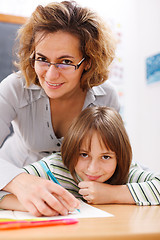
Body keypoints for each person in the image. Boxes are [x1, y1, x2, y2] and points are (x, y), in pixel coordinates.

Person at [0, 1, 120, 217]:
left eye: (65, 61)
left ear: (88, 62)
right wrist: (19, 182)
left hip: (72, 199)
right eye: (42, 59)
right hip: (12, 188)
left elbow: (112, 156)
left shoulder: (106, 96)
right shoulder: (14, 87)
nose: (51, 75)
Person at [1, 107, 159, 213]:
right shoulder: (53, 168)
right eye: (84, 154)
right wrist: (36, 204)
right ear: (71, 149)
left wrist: (113, 194)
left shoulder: (125, 171)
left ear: (120, 156)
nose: (93, 168)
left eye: (106, 157)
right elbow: (5, 186)